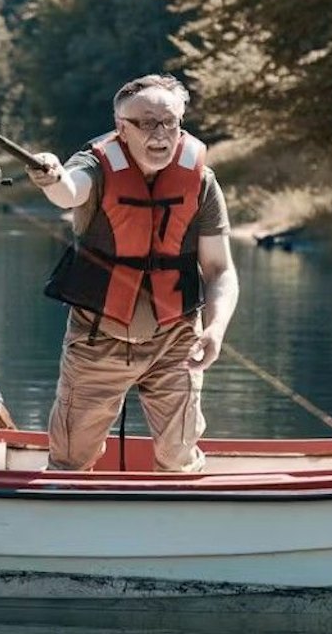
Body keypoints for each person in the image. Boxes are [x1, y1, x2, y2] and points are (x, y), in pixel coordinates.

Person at [28, 74, 238, 472]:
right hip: (98, 338)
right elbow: (68, 190)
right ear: (121, 129)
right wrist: (51, 176)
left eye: (170, 122)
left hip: (177, 339)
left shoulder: (201, 181)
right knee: (71, 458)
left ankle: (173, 524)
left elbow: (219, 269)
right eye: (146, 123)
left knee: (178, 456)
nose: (160, 133)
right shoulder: (95, 165)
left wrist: (216, 328)